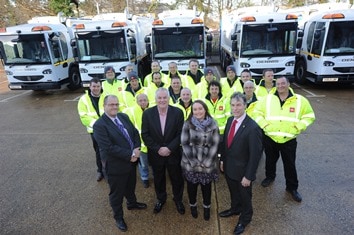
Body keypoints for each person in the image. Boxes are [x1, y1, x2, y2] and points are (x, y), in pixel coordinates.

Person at [253, 76, 316, 202]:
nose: (280, 86)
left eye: (283, 83)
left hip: (288, 139)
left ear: (288, 84)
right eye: (278, 84)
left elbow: (309, 116)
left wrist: (298, 127)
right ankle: (270, 177)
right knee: (270, 161)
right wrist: (265, 125)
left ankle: (292, 188)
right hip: (270, 137)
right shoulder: (268, 99)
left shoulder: (300, 100)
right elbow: (257, 112)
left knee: (290, 164)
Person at [93, 95, 147, 232]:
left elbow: (134, 132)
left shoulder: (123, 116)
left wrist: (137, 148)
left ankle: (132, 203)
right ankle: (118, 217)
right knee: (116, 194)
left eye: (116, 104)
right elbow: (108, 148)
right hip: (115, 166)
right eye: (111, 104)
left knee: (130, 185)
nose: (114, 107)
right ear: (104, 106)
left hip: (131, 163)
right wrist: (131, 155)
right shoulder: (99, 125)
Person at [219, 92, 263, 235]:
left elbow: (255, 155)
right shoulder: (230, 120)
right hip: (229, 167)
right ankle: (235, 209)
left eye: (239, 105)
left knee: (245, 197)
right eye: (233, 105)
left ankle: (245, 218)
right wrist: (222, 160)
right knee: (233, 193)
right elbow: (226, 144)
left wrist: (249, 176)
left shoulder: (252, 127)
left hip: (243, 173)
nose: (235, 108)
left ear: (245, 105)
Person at [141, 88, 185, 215]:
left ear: (169, 98)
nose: (162, 100)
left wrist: (169, 148)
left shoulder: (177, 112)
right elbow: (145, 134)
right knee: (158, 178)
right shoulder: (148, 114)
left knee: (177, 178)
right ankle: (161, 199)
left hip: (173, 153)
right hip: (156, 154)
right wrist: (158, 149)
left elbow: (180, 133)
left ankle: (178, 199)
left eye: (164, 97)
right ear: (155, 99)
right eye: (159, 98)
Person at [181, 100, 220, 221]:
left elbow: (215, 144)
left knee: (206, 188)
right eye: (195, 109)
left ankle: (207, 207)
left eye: (200, 109)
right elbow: (184, 143)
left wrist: (208, 162)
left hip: (207, 164)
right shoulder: (187, 124)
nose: (198, 111)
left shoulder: (213, 124)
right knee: (192, 187)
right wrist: (192, 161)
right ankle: (193, 206)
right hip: (191, 163)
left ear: (205, 109)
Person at [77, 78, 105, 181]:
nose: (96, 88)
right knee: (98, 151)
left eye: (98, 86)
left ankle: (110, 170)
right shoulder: (83, 100)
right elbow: (83, 117)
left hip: (107, 129)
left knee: (108, 150)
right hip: (95, 131)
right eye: (94, 86)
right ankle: (100, 171)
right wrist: (97, 125)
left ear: (101, 86)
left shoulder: (106, 97)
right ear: (90, 86)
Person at [123, 93, 150, 188]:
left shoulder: (151, 110)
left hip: (151, 144)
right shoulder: (132, 112)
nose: (143, 102)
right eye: (140, 100)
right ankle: (145, 178)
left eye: (145, 100)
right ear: (136, 101)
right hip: (141, 146)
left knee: (154, 163)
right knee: (143, 164)